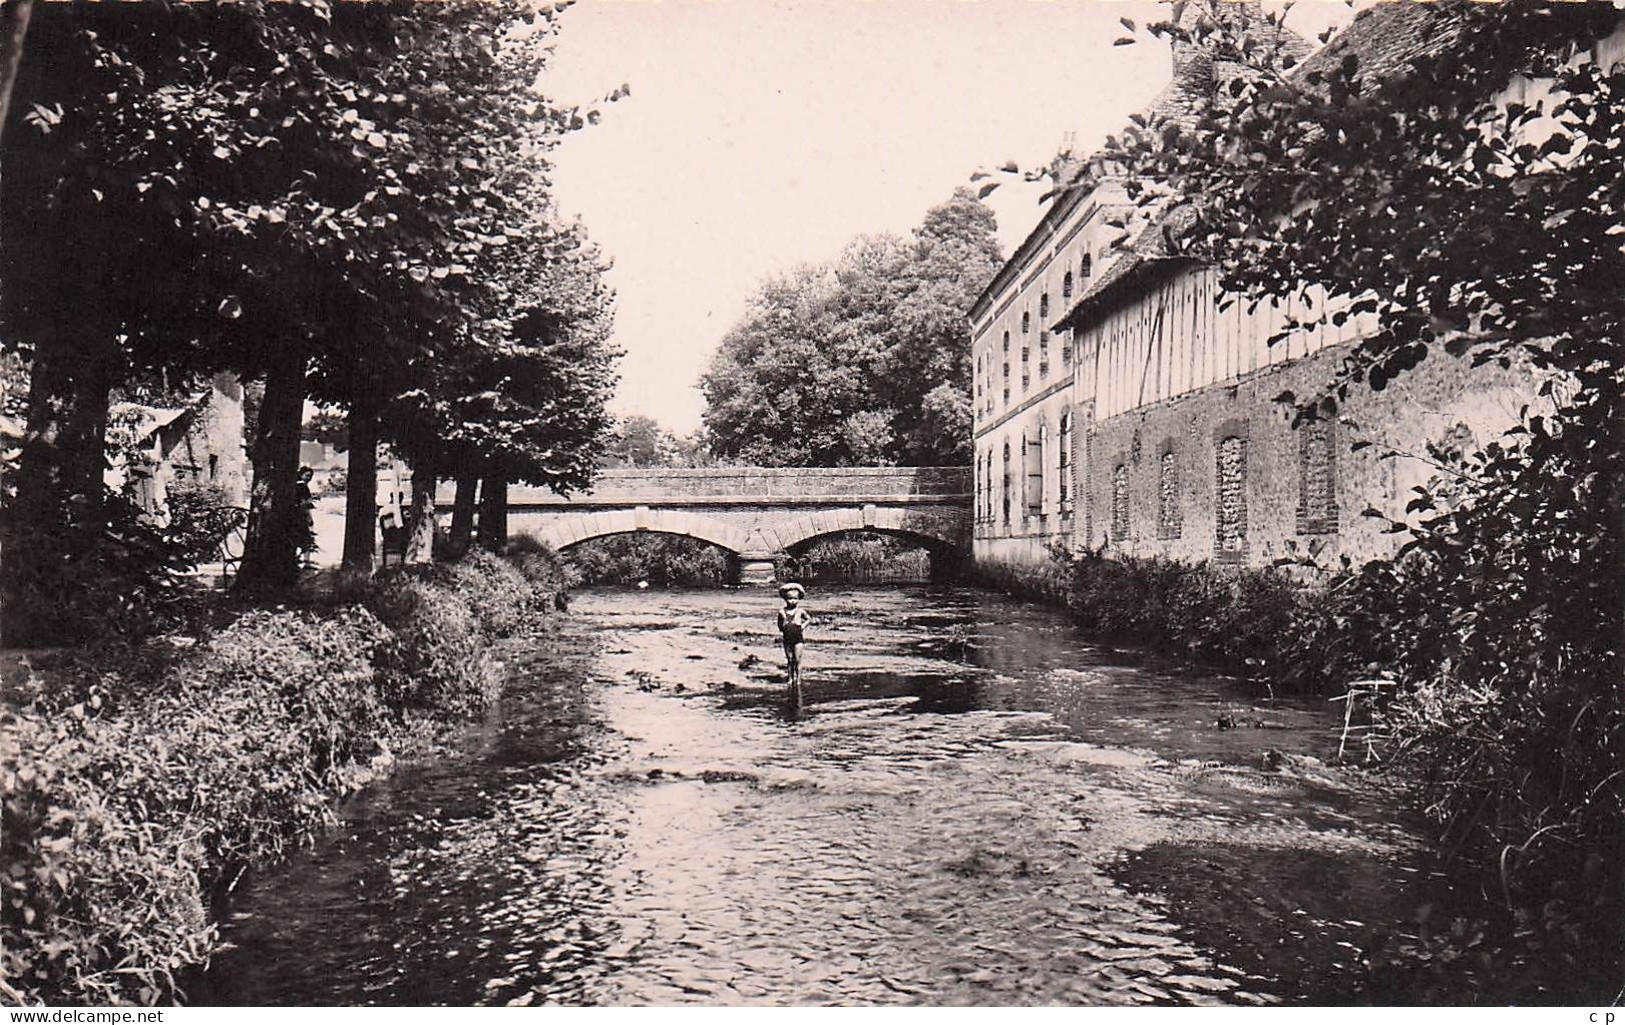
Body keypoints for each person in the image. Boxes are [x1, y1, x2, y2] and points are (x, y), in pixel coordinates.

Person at [776, 581, 811, 694]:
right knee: (790, 660)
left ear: (799, 599)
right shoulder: (782, 612)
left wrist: (802, 626)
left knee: (797, 660)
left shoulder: (800, 611)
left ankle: (798, 679)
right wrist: (782, 628)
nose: (792, 601)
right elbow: (779, 623)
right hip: (787, 638)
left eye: (795, 599)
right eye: (790, 599)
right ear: (785, 599)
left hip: (798, 638)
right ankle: (790, 677)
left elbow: (809, 619)